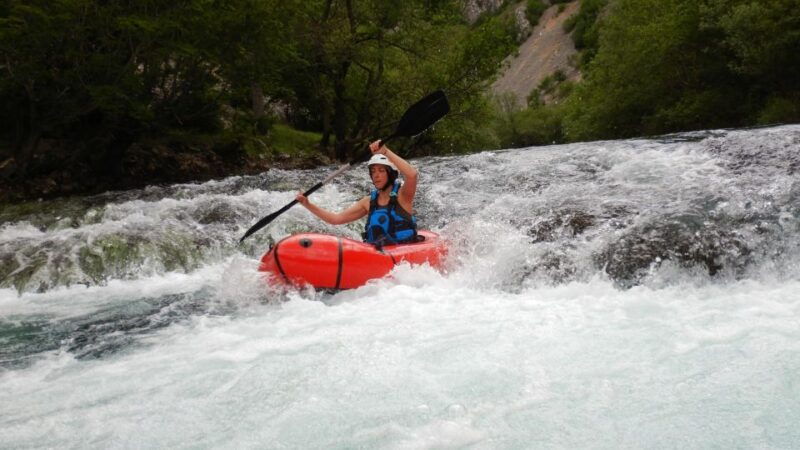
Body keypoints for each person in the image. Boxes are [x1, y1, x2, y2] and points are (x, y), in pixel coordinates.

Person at [296, 140, 419, 246]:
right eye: (373, 172)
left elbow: (412, 175)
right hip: (376, 255)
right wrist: (308, 204)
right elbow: (336, 219)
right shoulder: (368, 202)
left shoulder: (403, 196)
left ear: (391, 174)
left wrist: (385, 152)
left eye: (381, 171)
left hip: (402, 257)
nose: (376, 175)